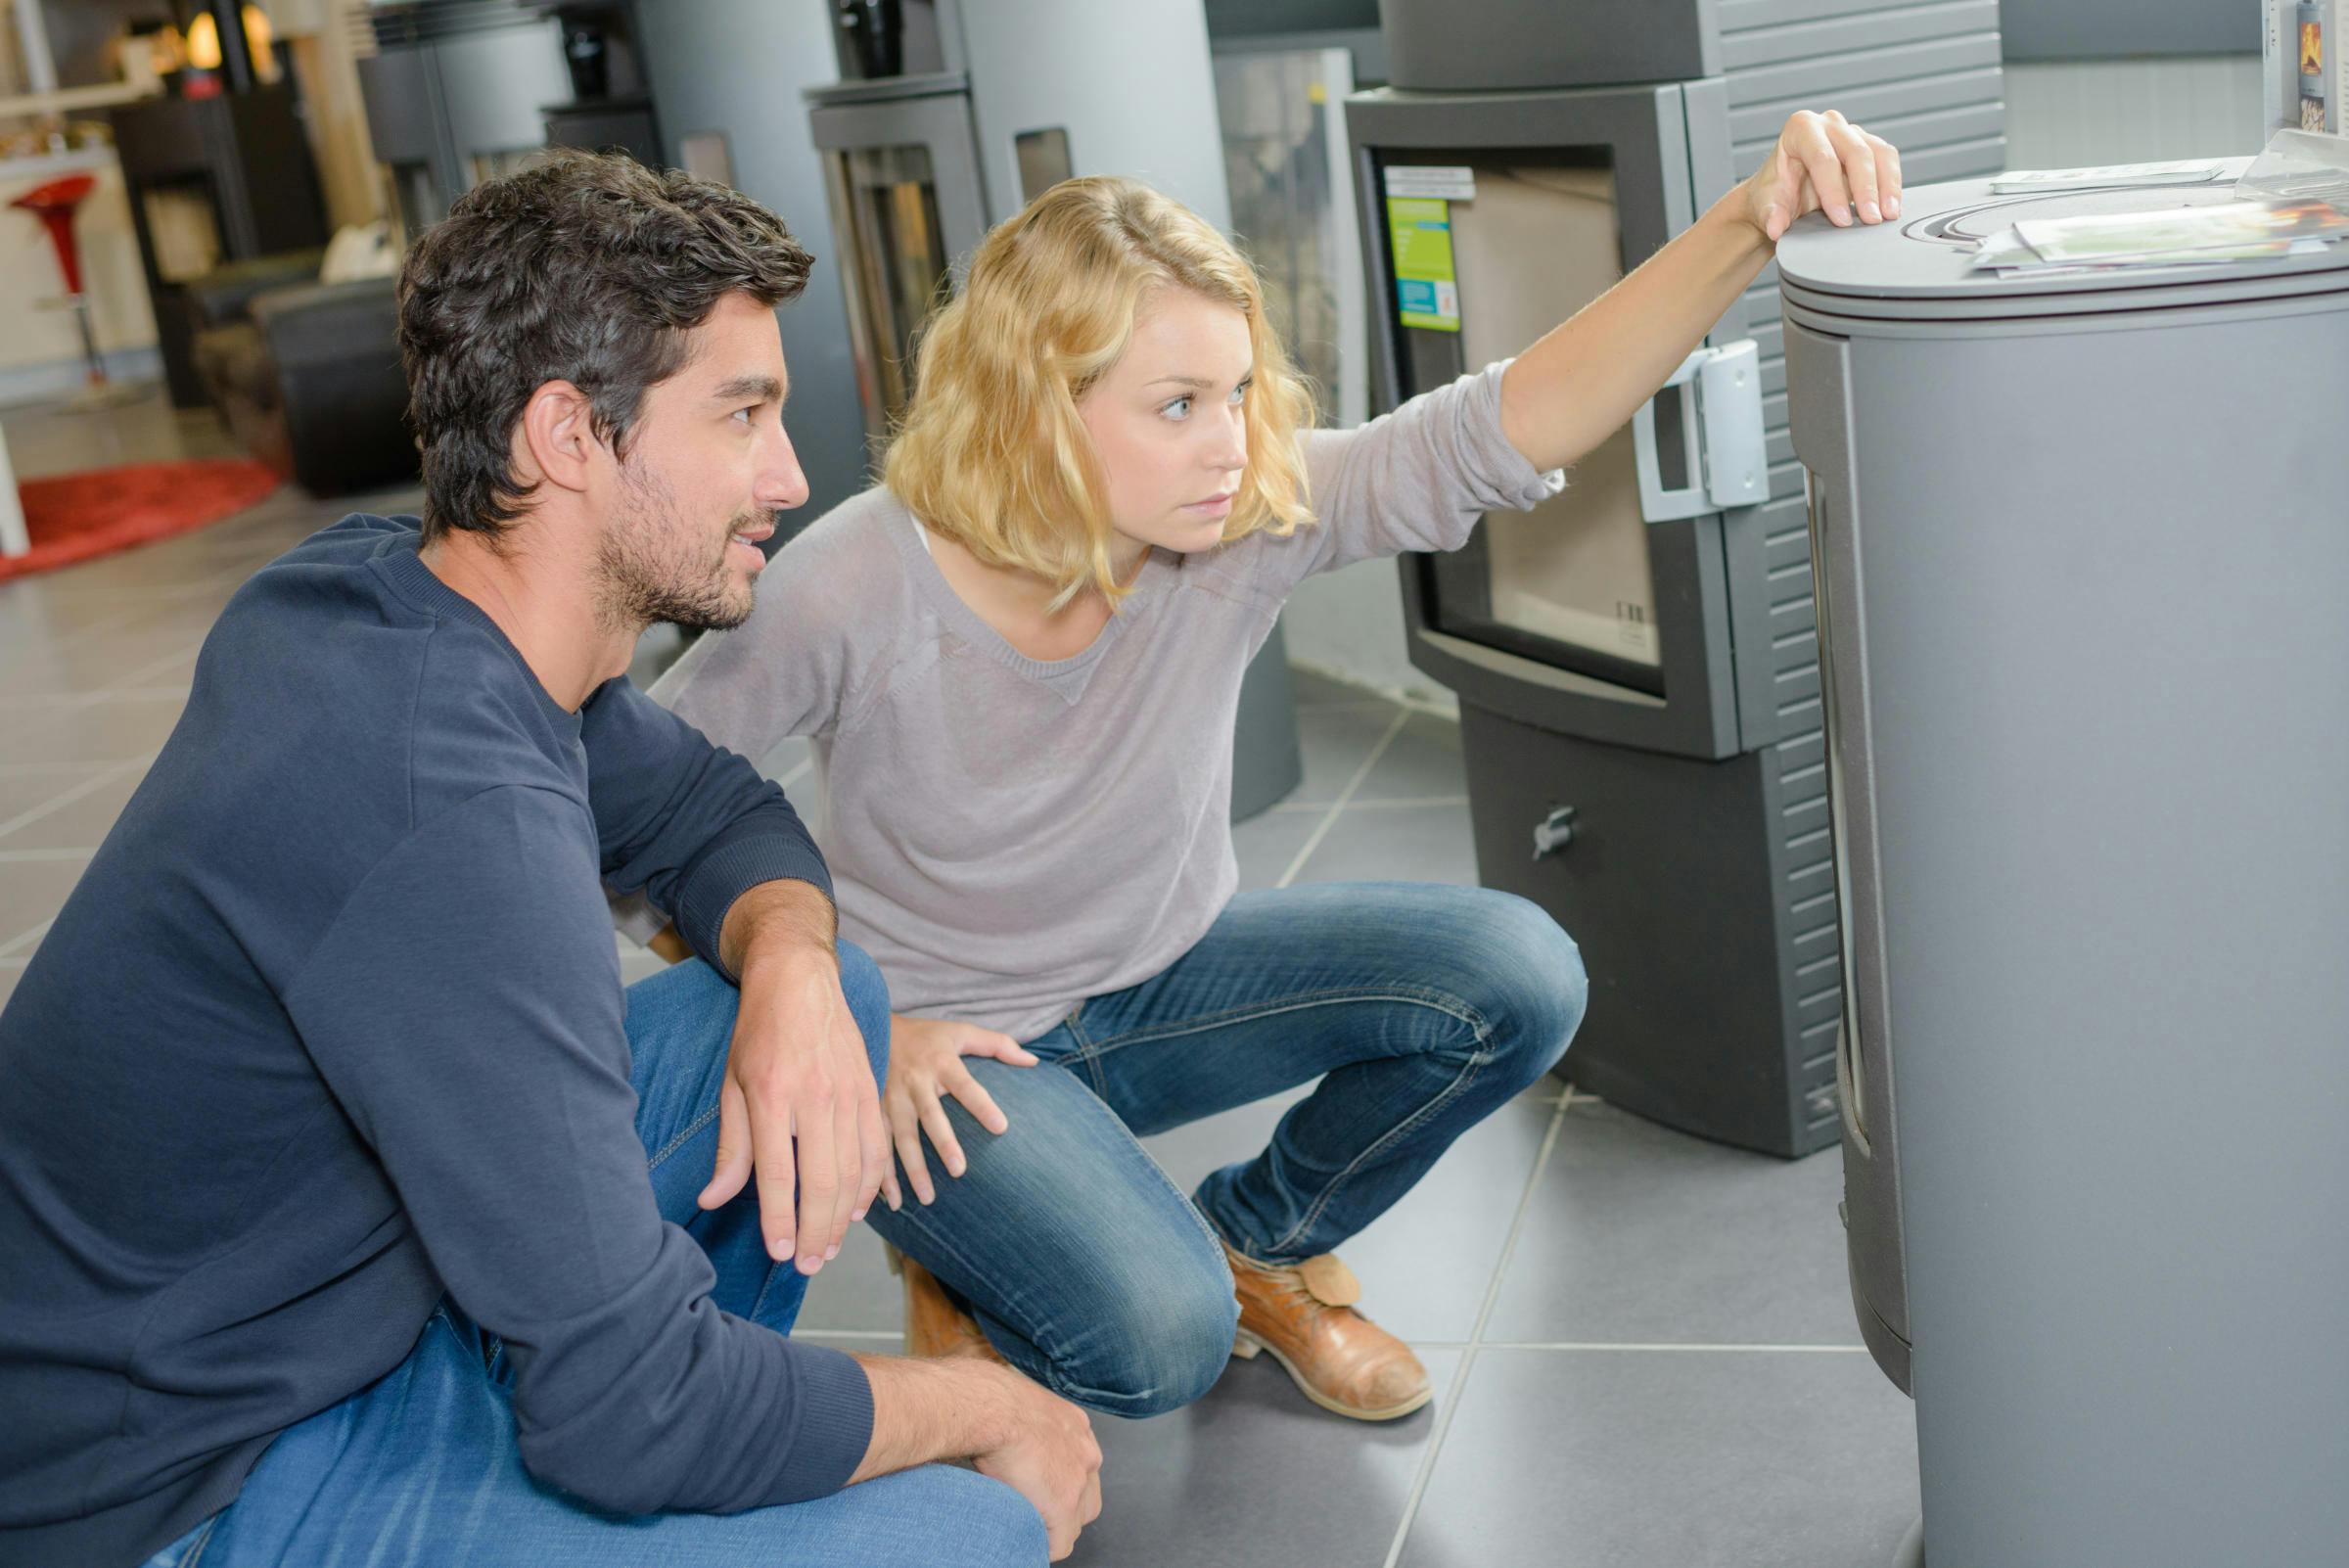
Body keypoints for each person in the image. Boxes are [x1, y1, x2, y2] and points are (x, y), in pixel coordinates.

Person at [632, 112, 1904, 1423]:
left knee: (1518, 974)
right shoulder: (850, 581)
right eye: (1178, 404)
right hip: (948, 1048)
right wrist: (843, 1023)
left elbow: (1507, 425)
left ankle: (1257, 1238)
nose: (1231, 441)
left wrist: (1751, 220)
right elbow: (634, 824)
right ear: (1032, 404)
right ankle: (969, 1257)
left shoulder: (1236, 520)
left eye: (1238, 392)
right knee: (1154, 1345)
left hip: (1163, 980)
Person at [0, 153, 1099, 1568]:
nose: (791, 473)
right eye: (743, 414)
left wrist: (798, 973)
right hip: (182, 1485)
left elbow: (720, 816)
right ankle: (644, 1406)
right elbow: (634, 1421)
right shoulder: (449, 818)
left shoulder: (377, 594)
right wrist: (979, 1400)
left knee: (819, 1003)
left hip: (318, 1314)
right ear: (568, 434)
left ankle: (641, 1377)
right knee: (973, 1526)